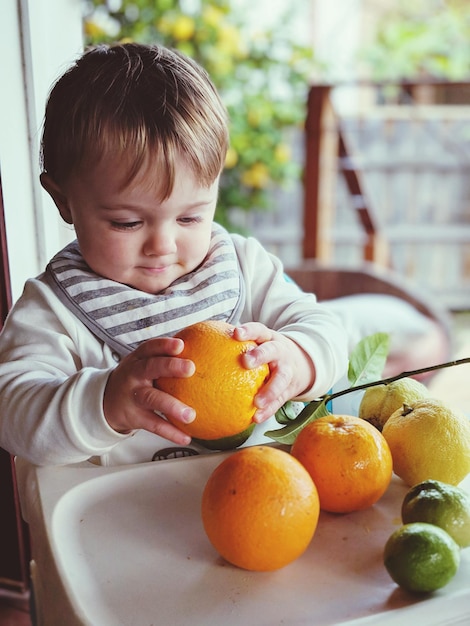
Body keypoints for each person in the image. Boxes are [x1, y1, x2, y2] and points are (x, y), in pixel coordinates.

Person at [0, 42, 348, 469]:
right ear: (63, 200)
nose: (162, 245)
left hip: (258, 501)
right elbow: (11, 411)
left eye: (190, 218)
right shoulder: (53, 309)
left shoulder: (243, 267)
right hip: (115, 520)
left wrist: (298, 358)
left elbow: (326, 327)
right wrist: (105, 403)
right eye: (127, 223)